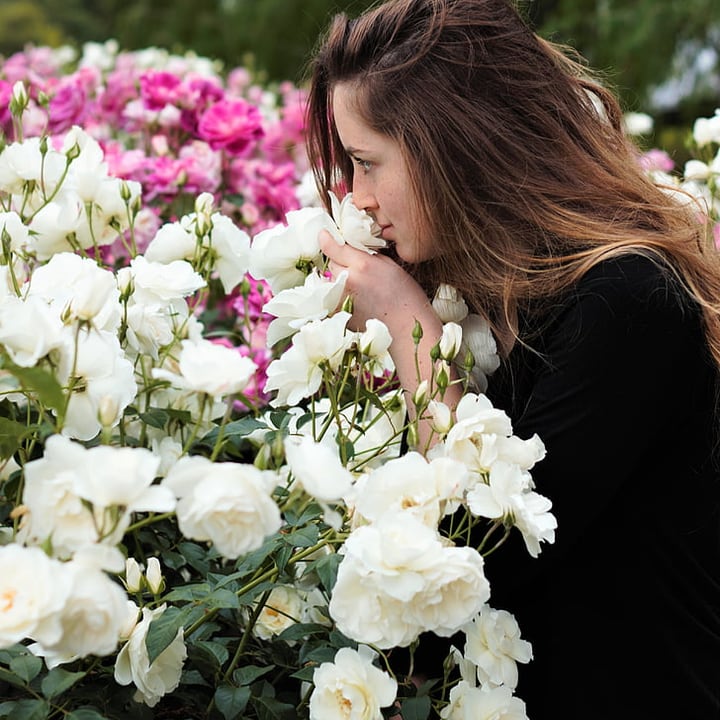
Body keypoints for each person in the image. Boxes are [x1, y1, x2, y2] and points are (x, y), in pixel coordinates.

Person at [302, 0, 720, 717]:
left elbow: (481, 561)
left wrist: (411, 329)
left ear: (455, 147)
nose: (359, 199)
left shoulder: (626, 298)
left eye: (368, 164)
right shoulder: (491, 294)